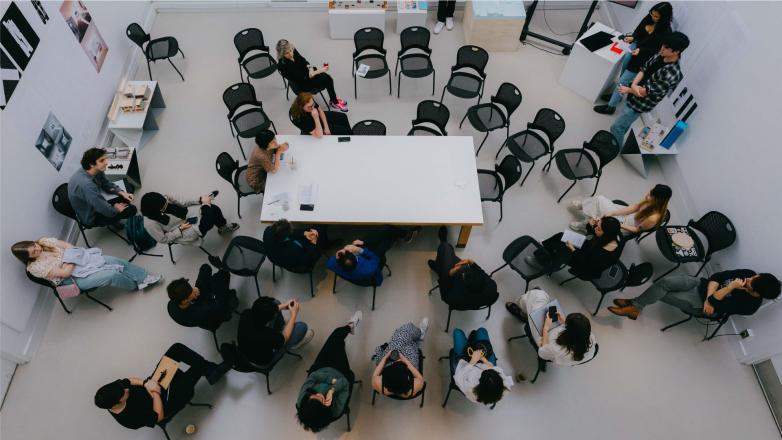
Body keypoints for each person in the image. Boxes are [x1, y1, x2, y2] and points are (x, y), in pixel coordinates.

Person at [94, 343, 235, 430]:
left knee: (177, 349)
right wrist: (155, 393)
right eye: (124, 393)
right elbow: (158, 417)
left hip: (152, 384)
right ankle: (210, 371)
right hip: (164, 402)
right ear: (117, 403)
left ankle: (210, 371)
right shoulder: (129, 419)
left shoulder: (113, 392)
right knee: (196, 368)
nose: (126, 389)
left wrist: (146, 383)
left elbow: (128, 381)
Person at [609, 31, 689, 145]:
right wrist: (633, 85)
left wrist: (630, 89)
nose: (661, 49)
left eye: (666, 47)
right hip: (634, 93)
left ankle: (614, 149)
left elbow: (645, 92)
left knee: (616, 127)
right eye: (663, 45)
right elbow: (644, 69)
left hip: (640, 103)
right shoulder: (661, 55)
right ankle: (615, 142)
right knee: (623, 124)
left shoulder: (671, 74)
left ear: (676, 51)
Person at [595, 2, 673, 115]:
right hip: (635, 48)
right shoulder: (648, 18)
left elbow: (657, 51)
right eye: (652, 14)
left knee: (623, 80)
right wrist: (632, 38)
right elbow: (638, 32)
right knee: (625, 65)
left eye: (656, 16)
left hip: (644, 57)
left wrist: (641, 51)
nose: (653, 17)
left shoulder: (665, 32)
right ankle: (617, 95)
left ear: (664, 18)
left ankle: (610, 107)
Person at [609, 270, 781, 320]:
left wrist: (730, 288)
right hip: (702, 285)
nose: (749, 278)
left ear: (756, 292)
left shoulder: (749, 307)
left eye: (751, 281)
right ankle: (635, 307)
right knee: (664, 283)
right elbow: (716, 277)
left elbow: (715, 303)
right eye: (754, 276)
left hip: (702, 306)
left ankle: (634, 305)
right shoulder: (748, 273)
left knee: (662, 293)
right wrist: (710, 296)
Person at [12, 237, 160, 291]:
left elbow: (69, 245)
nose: (37, 248)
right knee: (111, 274)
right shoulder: (34, 268)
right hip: (71, 280)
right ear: (28, 258)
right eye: (33, 252)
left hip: (81, 260)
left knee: (114, 260)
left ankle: (144, 277)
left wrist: (67, 259)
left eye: (34, 245)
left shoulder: (43, 242)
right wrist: (70, 258)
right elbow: (65, 274)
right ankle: (134, 285)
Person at [297, 312, 362, 433]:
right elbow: (344, 383)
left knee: (336, 335)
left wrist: (331, 381)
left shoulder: (302, 401)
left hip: (320, 367)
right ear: (325, 408)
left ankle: (348, 328)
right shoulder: (336, 409)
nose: (318, 395)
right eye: (320, 399)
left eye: (314, 395)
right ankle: (350, 327)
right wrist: (332, 390)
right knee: (338, 344)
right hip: (340, 372)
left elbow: (313, 377)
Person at [507, 288, 597, 366]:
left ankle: (524, 312)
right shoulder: (590, 338)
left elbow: (542, 352)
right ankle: (535, 297)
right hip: (560, 342)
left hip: (544, 342)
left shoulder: (557, 350)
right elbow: (577, 332)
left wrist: (545, 328)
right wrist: (563, 321)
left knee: (537, 299)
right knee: (540, 301)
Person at [427, 226, 498, 310]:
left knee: (445, 249)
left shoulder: (455, 296)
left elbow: (444, 291)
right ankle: (442, 259)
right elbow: (482, 273)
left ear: (465, 283)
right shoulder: (491, 287)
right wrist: (472, 263)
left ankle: (440, 259)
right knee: (451, 258)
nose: (463, 272)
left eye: (464, 274)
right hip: (472, 300)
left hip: (452, 288)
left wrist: (450, 274)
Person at [533, 217, 624, 281]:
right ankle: (544, 248)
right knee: (562, 236)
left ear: (606, 234)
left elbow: (584, 261)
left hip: (585, 267)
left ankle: (547, 264)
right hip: (590, 250)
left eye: (599, 228)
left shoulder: (604, 252)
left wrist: (573, 249)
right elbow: (594, 232)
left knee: (564, 249)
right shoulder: (612, 234)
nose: (596, 228)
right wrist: (591, 223)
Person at [139, 192, 239, 247]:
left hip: (186, 216)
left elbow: (183, 202)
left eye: (166, 201)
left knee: (213, 208)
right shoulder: (150, 224)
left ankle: (222, 227)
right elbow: (163, 239)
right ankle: (220, 226)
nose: (167, 203)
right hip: (181, 230)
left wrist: (200, 200)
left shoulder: (163, 199)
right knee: (209, 219)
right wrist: (179, 230)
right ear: (157, 211)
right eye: (165, 207)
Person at [67, 147, 136, 227]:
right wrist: (115, 209)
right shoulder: (86, 185)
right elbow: (103, 208)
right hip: (92, 215)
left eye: (105, 159)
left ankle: (115, 216)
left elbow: (105, 183)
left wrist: (122, 192)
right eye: (102, 161)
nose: (106, 162)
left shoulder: (93, 169)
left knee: (129, 188)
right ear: (92, 164)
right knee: (132, 210)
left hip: (96, 200)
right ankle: (114, 220)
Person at [237, 296, 314, 367]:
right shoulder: (265, 335)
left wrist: (283, 306)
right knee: (302, 327)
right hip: (265, 361)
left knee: (276, 302)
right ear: (269, 320)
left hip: (249, 348)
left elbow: (267, 311)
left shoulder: (246, 313)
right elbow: (285, 336)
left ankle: (282, 327)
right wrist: (294, 314)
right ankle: (294, 344)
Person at [276, 39, 348, 112]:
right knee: (328, 79)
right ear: (282, 54)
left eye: (290, 50)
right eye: (287, 53)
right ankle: (334, 102)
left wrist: (310, 68)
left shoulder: (293, 50)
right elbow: (301, 78)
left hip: (309, 74)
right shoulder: (282, 66)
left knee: (328, 78)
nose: (291, 54)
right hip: (302, 85)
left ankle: (333, 100)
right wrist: (320, 71)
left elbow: (304, 61)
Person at [568, 184, 672, 235]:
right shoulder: (649, 201)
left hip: (626, 226)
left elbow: (636, 230)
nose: (648, 194)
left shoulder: (653, 218)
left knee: (600, 208)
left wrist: (618, 224)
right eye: (650, 191)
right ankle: (583, 206)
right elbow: (635, 207)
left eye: (651, 195)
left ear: (657, 200)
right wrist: (613, 212)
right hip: (626, 216)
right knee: (600, 200)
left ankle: (585, 224)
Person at [327, 226, 414, 285]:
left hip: (360, 261)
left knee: (385, 230)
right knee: (386, 237)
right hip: (373, 261)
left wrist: (343, 250)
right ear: (355, 256)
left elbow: (331, 261)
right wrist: (359, 250)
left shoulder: (333, 264)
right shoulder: (368, 269)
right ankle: (400, 236)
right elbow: (375, 258)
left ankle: (397, 236)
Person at [451, 327, 513, 405]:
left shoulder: (470, 389)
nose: (486, 370)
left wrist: (473, 361)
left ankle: (470, 342)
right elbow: (494, 368)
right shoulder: (505, 385)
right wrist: (484, 360)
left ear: (480, 384)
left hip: (466, 366)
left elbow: (459, 377)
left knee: (457, 332)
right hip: (482, 363)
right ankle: (473, 342)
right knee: (482, 331)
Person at [166, 264, 238, 331]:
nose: (194, 290)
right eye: (192, 291)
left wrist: (195, 291)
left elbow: (205, 269)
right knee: (223, 278)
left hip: (198, 307)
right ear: (184, 301)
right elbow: (219, 306)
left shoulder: (172, 302)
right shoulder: (199, 312)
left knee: (205, 268)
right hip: (212, 318)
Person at [371, 319, 429, 398]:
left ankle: (402, 340)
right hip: (409, 366)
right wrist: (405, 361)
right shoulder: (416, 386)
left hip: (390, 364)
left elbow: (375, 375)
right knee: (405, 335)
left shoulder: (378, 384)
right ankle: (420, 333)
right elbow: (419, 378)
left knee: (396, 342)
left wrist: (385, 358)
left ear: (384, 380)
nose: (397, 360)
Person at [246, 130, 289, 194]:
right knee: (277, 189)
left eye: (274, 138)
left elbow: (275, 147)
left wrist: (283, 146)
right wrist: (278, 153)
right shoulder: (261, 156)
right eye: (272, 142)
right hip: (257, 179)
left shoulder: (264, 144)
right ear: (266, 145)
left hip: (263, 169)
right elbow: (274, 170)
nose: (276, 143)